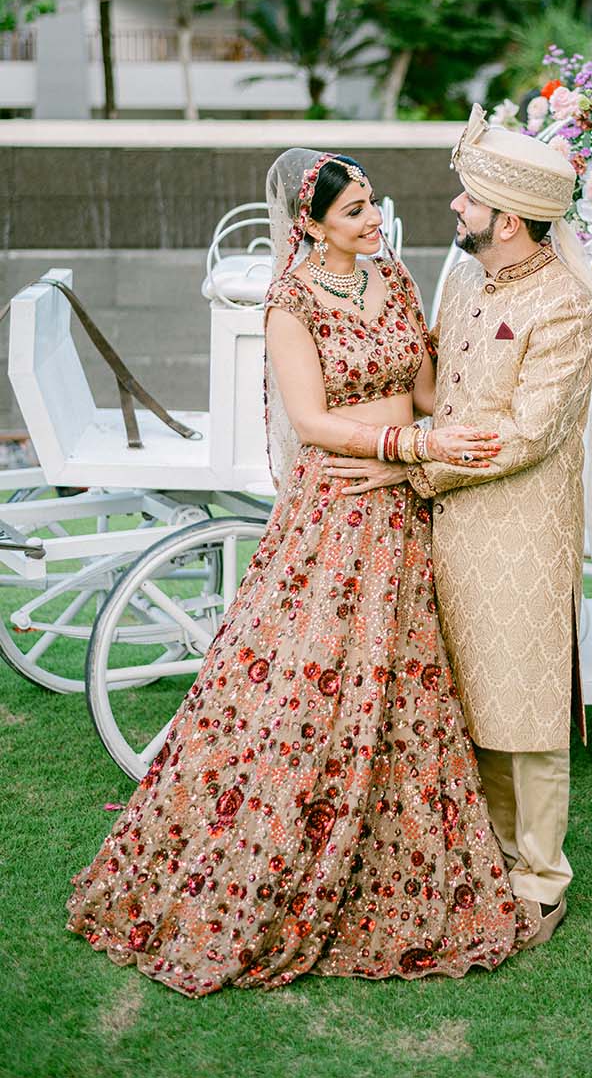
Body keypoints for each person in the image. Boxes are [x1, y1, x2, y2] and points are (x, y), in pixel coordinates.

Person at [66, 148, 541, 997]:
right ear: (310, 223)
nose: (373, 217)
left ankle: (394, 852)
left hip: (400, 503)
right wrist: (407, 444)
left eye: (371, 201)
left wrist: (481, 412)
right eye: (354, 209)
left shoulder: (394, 279)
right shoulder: (290, 302)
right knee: (306, 681)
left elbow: (427, 392)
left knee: (403, 680)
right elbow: (312, 420)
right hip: (338, 507)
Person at [334, 109, 592, 949]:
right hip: (450, 523)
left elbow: (526, 434)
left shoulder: (568, 307)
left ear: (508, 219)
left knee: (527, 703)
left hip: (522, 529)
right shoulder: (466, 283)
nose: (455, 206)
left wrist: (412, 464)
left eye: (468, 198)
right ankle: (490, 853)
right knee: (469, 694)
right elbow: (435, 379)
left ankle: (541, 877)